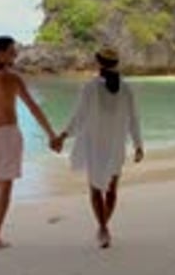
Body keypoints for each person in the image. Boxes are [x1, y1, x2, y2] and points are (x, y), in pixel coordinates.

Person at [0, 35, 59, 249]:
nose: (15, 55)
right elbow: (33, 107)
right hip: (4, 133)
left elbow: (32, 107)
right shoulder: (6, 79)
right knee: (1, 183)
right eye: (11, 52)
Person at [54, 45, 144, 248]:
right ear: (116, 63)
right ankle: (104, 227)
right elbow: (134, 119)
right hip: (115, 145)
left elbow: (78, 117)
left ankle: (103, 227)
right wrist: (138, 145)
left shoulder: (90, 87)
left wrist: (63, 135)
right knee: (112, 189)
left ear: (98, 62)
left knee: (95, 189)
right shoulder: (126, 88)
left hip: (94, 145)